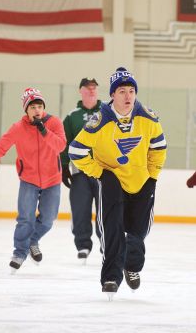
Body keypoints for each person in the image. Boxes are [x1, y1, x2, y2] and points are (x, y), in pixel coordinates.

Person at [68, 67, 167, 298]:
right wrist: (100, 173)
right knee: (112, 229)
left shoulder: (148, 118)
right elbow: (76, 150)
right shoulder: (100, 120)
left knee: (137, 232)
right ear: (112, 95)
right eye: (122, 91)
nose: (128, 96)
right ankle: (111, 277)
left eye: (131, 90)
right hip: (112, 180)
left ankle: (132, 265)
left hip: (142, 181)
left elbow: (159, 148)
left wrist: (152, 176)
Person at [0, 87, 66, 272]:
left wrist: (44, 131)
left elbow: (60, 146)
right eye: (33, 107)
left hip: (52, 179)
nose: (37, 110)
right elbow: (0, 148)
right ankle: (19, 253)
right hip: (29, 179)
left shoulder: (54, 123)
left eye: (40, 106)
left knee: (48, 219)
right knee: (25, 218)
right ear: (26, 110)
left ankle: (32, 240)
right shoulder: (18, 128)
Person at [61, 78, 102, 262]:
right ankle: (83, 245)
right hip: (79, 172)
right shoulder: (72, 116)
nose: (92, 91)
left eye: (94, 88)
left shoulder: (107, 112)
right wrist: (63, 166)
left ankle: (107, 243)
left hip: (104, 171)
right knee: (80, 209)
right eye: (88, 88)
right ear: (81, 91)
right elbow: (64, 142)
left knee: (106, 209)